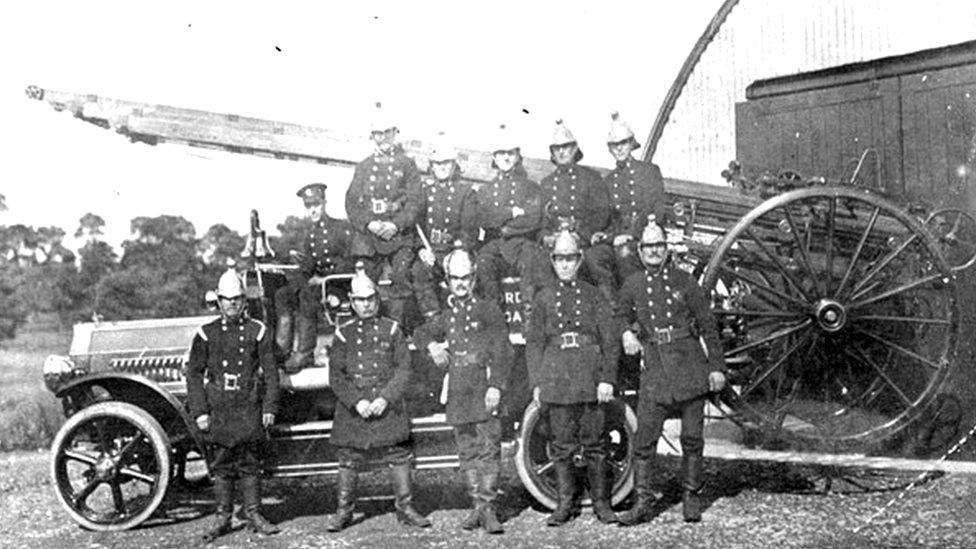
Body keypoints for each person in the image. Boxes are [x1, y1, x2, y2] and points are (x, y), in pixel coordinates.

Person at [614, 219, 726, 525]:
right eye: (648, 246)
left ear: (667, 248)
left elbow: (707, 325)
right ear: (639, 250)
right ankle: (643, 502)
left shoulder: (685, 281)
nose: (653, 251)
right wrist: (626, 333)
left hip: (689, 365)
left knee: (692, 439)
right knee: (644, 441)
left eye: (658, 245)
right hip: (655, 373)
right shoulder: (633, 284)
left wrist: (716, 367)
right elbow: (620, 314)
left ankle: (691, 496)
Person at [326, 263, 432, 532]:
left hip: (387, 404)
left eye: (370, 299)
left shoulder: (392, 330)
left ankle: (405, 508)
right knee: (348, 459)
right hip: (355, 407)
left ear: (377, 299)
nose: (366, 305)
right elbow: (336, 376)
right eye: (360, 300)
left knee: (399, 454)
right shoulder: (342, 333)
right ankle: (344, 512)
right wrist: (357, 401)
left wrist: (386, 398)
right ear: (351, 302)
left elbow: (404, 369)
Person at [414, 245, 512, 534]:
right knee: (466, 451)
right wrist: (432, 345)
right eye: (455, 278)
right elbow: (421, 333)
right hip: (458, 388)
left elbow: (503, 352)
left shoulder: (488, 310)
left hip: (483, 385)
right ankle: (477, 509)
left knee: (489, 449)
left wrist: (496, 387)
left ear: (473, 279)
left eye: (465, 278)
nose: (460, 283)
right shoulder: (447, 315)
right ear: (447, 280)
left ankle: (489, 509)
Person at [525, 230, 619, 526]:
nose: (565, 265)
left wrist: (607, 379)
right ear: (553, 262)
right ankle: (565, 503)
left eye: (571, 259)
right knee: (562, 446)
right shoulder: (543, 298)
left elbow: (610, 340)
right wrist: (537, 383)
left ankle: (602, 504)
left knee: (595, 444)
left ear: (579, 261)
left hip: (589, 376)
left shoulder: (594, 296)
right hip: (557, 378)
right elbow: (534, 344)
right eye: (560, 259)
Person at [186, 269, 281, 542]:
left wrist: (269, 408)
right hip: (220, 406)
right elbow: (194, 374)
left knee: (250, 463)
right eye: (226, 299)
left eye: (237, 299)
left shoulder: (258, 331)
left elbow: (272, 373)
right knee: (222, 464)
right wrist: (201, 411)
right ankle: (223, 517)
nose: (232, 304)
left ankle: (253, 514)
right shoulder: (206, 334)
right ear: (218, 300)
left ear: (244, 300)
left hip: (248, 404)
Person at [344, 102, 423, 324]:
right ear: (372, 136)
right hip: (370, 236)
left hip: (399, 234)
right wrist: (369, 223)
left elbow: (416, 202)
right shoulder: (364, 167)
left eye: (387, 133)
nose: (383, 139)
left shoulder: (407, 165)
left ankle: (396, 328)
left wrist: (396, 225)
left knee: (401, 275)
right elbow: (351, 203)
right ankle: (368, 327)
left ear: (395, 133)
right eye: (378, 134)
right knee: (364, 280)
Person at [472, 123, 553, 308]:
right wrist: (511, 212)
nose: (506, 157)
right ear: (494, 157)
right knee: (483, 262)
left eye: (510, 153)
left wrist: (502, 225)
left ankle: (529, 315)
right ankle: (493, 313)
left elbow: (532, 219)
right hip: (495, 245)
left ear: (517, 156)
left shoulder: (531, 187)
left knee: (531, 261)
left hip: (522, 243)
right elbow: (482, 218)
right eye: (501, 153)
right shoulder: (486, 190)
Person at [276, 182, 353, 373]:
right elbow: (308, 267)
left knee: (308, 295)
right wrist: (292, 281)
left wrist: (325, 279)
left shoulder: (342, 228)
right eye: (308, 206)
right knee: (282, 294)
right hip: (320, 285)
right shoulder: (310, 235)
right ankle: (282, 351)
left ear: (324, 203)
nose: (313, 210)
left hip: (340, 284)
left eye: (316, 205)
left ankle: (305, 352)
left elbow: (351, 260)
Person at [539, 119, 616, 303]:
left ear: (575, 149)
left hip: (584, 239)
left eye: (566, 147)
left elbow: (602, 213)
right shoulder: (547, 183)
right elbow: (542, 220)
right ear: (552, 154)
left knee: (594, 261)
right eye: (557, 149)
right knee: (540, 262)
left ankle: (611, 314)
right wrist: (546, 237)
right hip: (556, 241)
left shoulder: (591, 178)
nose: (562, 152)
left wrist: (580, 234)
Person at [412, 135, 479, 317]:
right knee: (420, 271)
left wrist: (458, 250)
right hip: (431, 250)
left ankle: (464, 317)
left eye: (446, 163)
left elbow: (469, 229)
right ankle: (432, 319)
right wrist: (421, 250)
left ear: (453, 165)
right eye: (437, 163)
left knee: (461, 273)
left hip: (456, 250)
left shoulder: (465, 192)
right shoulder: (424, 192)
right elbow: (414, 226)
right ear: (431, 166)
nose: (442, 167)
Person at [603, 111, 671, 283]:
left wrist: (633, 235)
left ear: (631, 144)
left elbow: (657, 210)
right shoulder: (609, 181)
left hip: (646, 236)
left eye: (623, 143)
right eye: (614, 145)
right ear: (610, 149)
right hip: (619, 237)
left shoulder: (649, 171)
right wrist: (614, 237)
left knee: (625, 253)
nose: (619, 148)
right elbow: (608, 218)